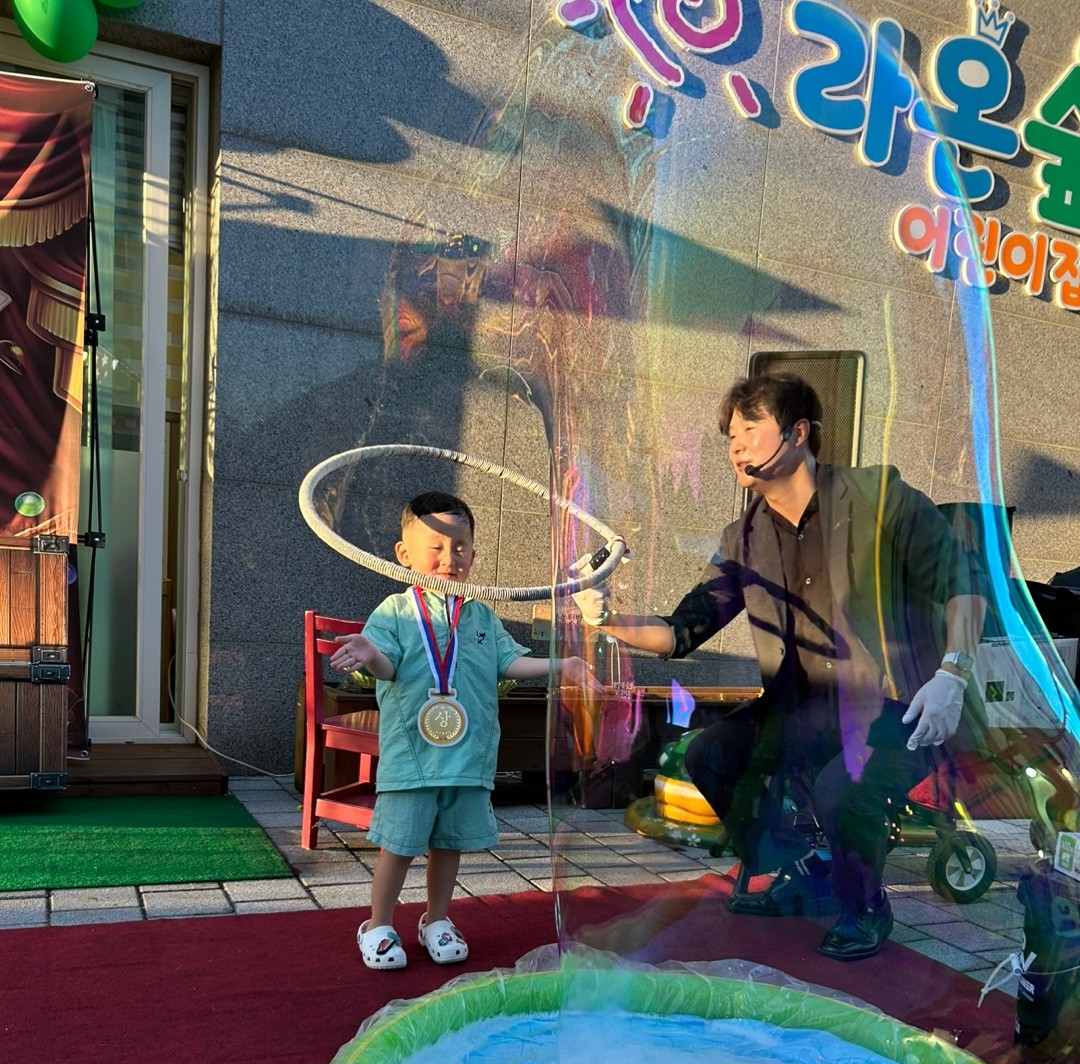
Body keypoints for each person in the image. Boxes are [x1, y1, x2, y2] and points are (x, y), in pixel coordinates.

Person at [572, 373, 987, 960]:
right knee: (709, 755)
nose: (735, 445)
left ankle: (865, 906)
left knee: (841, 790)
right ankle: (809, 868)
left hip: (908, 706)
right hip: (807, 710)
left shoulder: (879, 498)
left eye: (749, 428)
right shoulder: (745, 537)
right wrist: (606, 617)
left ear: (798, 433)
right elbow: (684, 629)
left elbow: (964, 583)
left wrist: (953, 674)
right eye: (729, 435)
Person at [331, 491, 588, 970]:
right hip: (414, 755)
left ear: (473, 553)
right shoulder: (396, 610)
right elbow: (388, 667)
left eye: (461, 547)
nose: (451, 558)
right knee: (400, 843)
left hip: (467, 755)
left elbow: (509, 661)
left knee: (449, 842)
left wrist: (563, 665)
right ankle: (378, 924)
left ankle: (436, 919)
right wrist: (370, 654)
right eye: (436, 546)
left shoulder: (481, 614)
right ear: (403, 554)